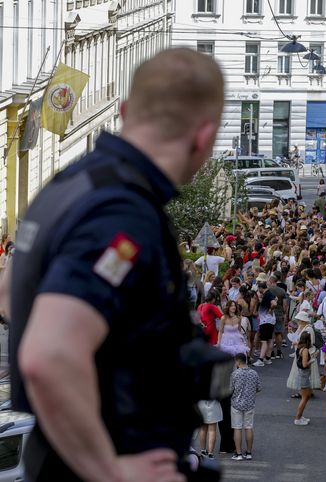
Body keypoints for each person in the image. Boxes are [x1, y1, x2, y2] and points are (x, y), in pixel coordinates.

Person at [6, 48, 226, 482]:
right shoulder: (122, 214)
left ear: (125, 111)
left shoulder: (72, 184)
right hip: (104, 457)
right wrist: (110, 471)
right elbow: (47, 356)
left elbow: (8, 292)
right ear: (203, 137)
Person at [230, 353, 260, 461]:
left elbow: (230, 389)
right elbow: (258, 388)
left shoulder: (235, 374)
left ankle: (238, 453)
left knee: (237, 428)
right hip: (250, 404)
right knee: (249, 427)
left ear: (237, 361)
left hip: (236, 404)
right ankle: (248, 452)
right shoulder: (254, 373)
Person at [293, 331, 314, 425]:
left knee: (307, 395)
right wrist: (312, 360)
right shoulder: (305, 350)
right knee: (305, 397)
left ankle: (300, 416)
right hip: (304, 375)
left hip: (302, 374)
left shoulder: (299, 347)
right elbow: (305, 364)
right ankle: (298, 418)